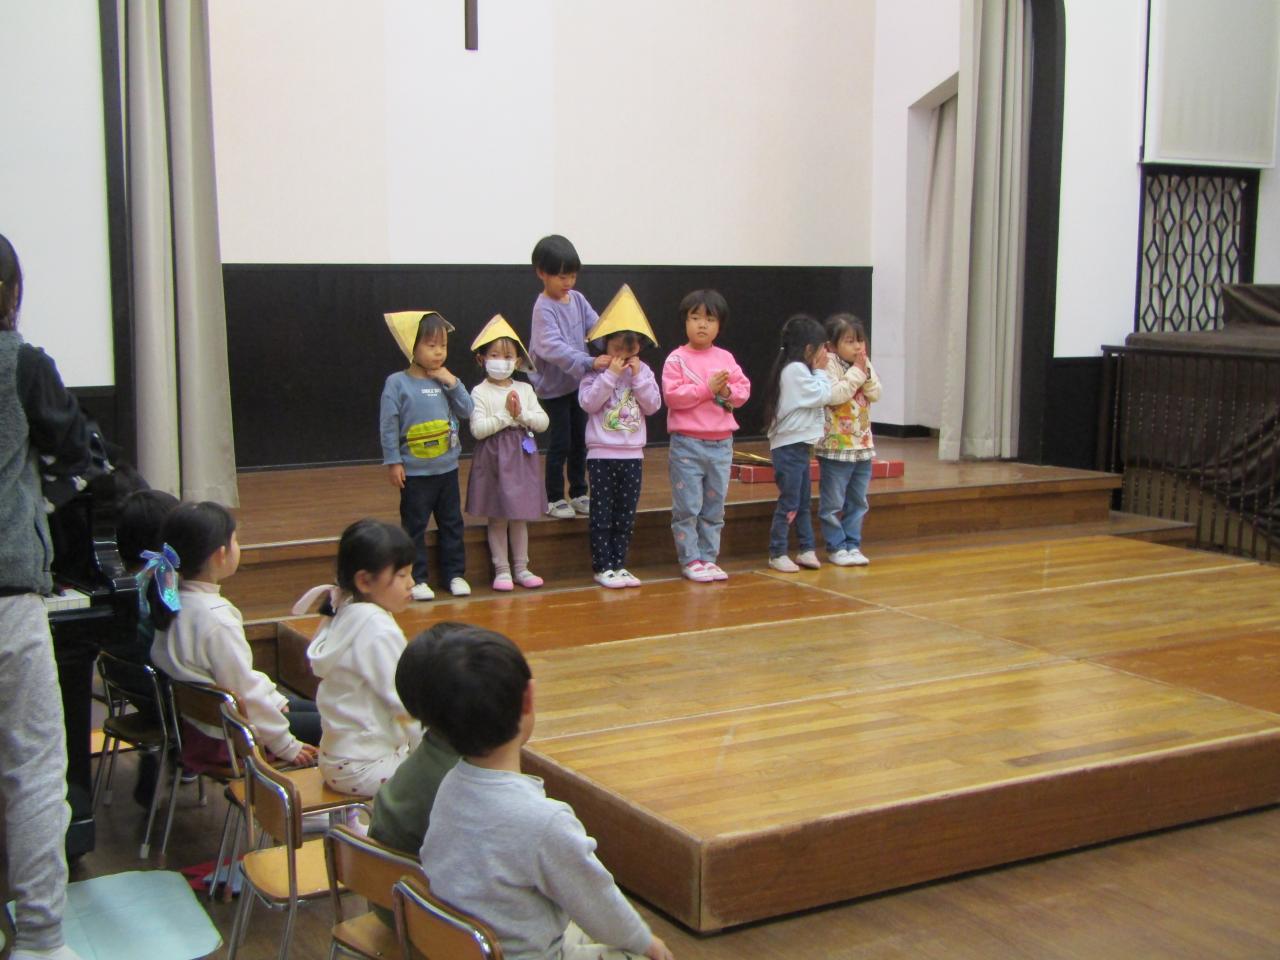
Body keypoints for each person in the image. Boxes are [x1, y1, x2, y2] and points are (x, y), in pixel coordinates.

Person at [417, 625, 675, 960]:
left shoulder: (450, 784)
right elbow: (598, 903)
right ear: (528, 699)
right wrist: (648, 944)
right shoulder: (545, 821)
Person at [0, 231, 89, 960]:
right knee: (33, 770)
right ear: (12, 292)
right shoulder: (23, 364)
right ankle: (37, 938)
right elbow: (79, 456)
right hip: (7, 592)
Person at [147, 501, 320, 770]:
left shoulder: (170, 598)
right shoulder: (216, 619)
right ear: (220, 554)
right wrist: (287, 745)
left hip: (200, 727)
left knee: (319, 709)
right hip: (230, 738)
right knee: (343, 725)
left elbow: (237, 681)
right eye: (235, 540)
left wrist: (274, 700)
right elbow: (243, 691)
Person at [297, 519, 422, 797]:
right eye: (402, 575)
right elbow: (403, 701)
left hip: (338, 760)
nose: (412, 583)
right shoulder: (376, 629)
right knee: (452, 774)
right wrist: (429, 751)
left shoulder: (346, 608)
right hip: (367, 767)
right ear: (364, 580)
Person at [380, 310, 474, 601]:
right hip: (415, 473)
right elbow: (389, 424)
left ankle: (455, 574)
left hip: (447, 470)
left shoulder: (446, 380)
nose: (438, 352)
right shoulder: (397, 383)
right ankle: (418, 578)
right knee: (414, 526)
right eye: (431, 345)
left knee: (452, 523)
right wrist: (394, 461)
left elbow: (468, 410)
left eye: (443, 346)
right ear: (413, 346)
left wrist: (452, 382)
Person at [660, 290, 750, 583]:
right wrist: (707, 389)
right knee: (687, 506)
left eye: (710, 319)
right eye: (695, 317)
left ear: (719, 325)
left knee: (714, 506)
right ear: (685, 322)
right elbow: (673, 397)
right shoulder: (676, 359)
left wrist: (726, 391)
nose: (702, 324)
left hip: (722, 444)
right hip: (687, 443)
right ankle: (690, 559)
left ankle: (709, 558)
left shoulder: (725, 358)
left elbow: (743, 391)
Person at [578, 288, 662, 588]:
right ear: (605, 344)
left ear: (639, 347)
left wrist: (637, 377)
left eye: (630, 349)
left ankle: (620, 564)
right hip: (602, 455)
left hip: (632, 455)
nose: (622, 356)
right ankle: (603, 567)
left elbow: (653, 405)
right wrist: (610, 375)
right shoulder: (596, 371)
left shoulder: (643, 372)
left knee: (625, 515)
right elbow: (588, 403)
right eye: (616, 348)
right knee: (602, 513)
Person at [763, 314, 855, 573]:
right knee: (790, 501)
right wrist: (823, 371)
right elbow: (822, 395)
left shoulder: (803, 370)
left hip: (801, 446)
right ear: (808, 349)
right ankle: (777, 552)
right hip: (789, 448)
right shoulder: (794, 370)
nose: (826, 353)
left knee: (803, 501)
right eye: (823, 347)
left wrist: (818, 371)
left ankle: (806, 549)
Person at [527, 235, 610, 520]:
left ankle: (578, 491)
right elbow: (550, 347)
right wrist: (589, 361)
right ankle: (554, 497)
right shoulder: (543, 307)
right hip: (552, 389)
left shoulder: (577, 299)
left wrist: (613, 343)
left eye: (572, 276)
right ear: (542, 273)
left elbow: (597, 328)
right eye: (562, 276)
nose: (568, 282)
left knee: (581, 439)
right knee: (560, 442)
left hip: (577, 385)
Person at [466, 316, 550, 591]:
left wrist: (521, 414)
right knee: (498, 515)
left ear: (517, 360)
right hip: (493, 458)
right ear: (482, 359)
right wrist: (506, 415)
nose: (501, 361)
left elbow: (543, 422)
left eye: (507, 356)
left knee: (519, 514)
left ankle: (522, 568)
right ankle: (501, 570)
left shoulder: (525, 389)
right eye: (494, 355)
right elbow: (478, 429)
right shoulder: (479, 392)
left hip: (521, 457)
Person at [110, 488, 180, 805]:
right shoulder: (164, 580)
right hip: (165, 694)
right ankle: (179, 750)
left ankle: (163, 748)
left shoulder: (122, 579)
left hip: (132, 687)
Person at [816, 313, 882, 566]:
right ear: (832, 345)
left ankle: (853, 545)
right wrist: (857, 373)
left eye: (860, 341)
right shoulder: (828, 364)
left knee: (858, 500)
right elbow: (835, 395)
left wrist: (865, 372)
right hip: (835, 447)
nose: (857, 347)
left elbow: (876, 393)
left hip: (862, 446)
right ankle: (836, 547)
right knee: (833, 502)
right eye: (850, 341)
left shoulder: (863, 364)